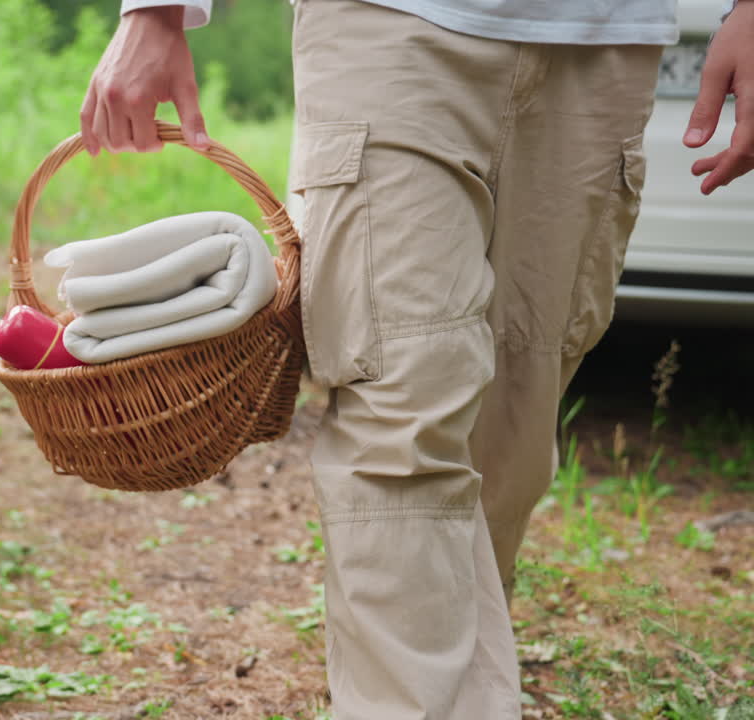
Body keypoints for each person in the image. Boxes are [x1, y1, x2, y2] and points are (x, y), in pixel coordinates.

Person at [79, 1, 754, 718]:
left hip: (601, 41)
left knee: (512, 437)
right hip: (387, 26)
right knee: (400, 402)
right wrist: (155, 10)